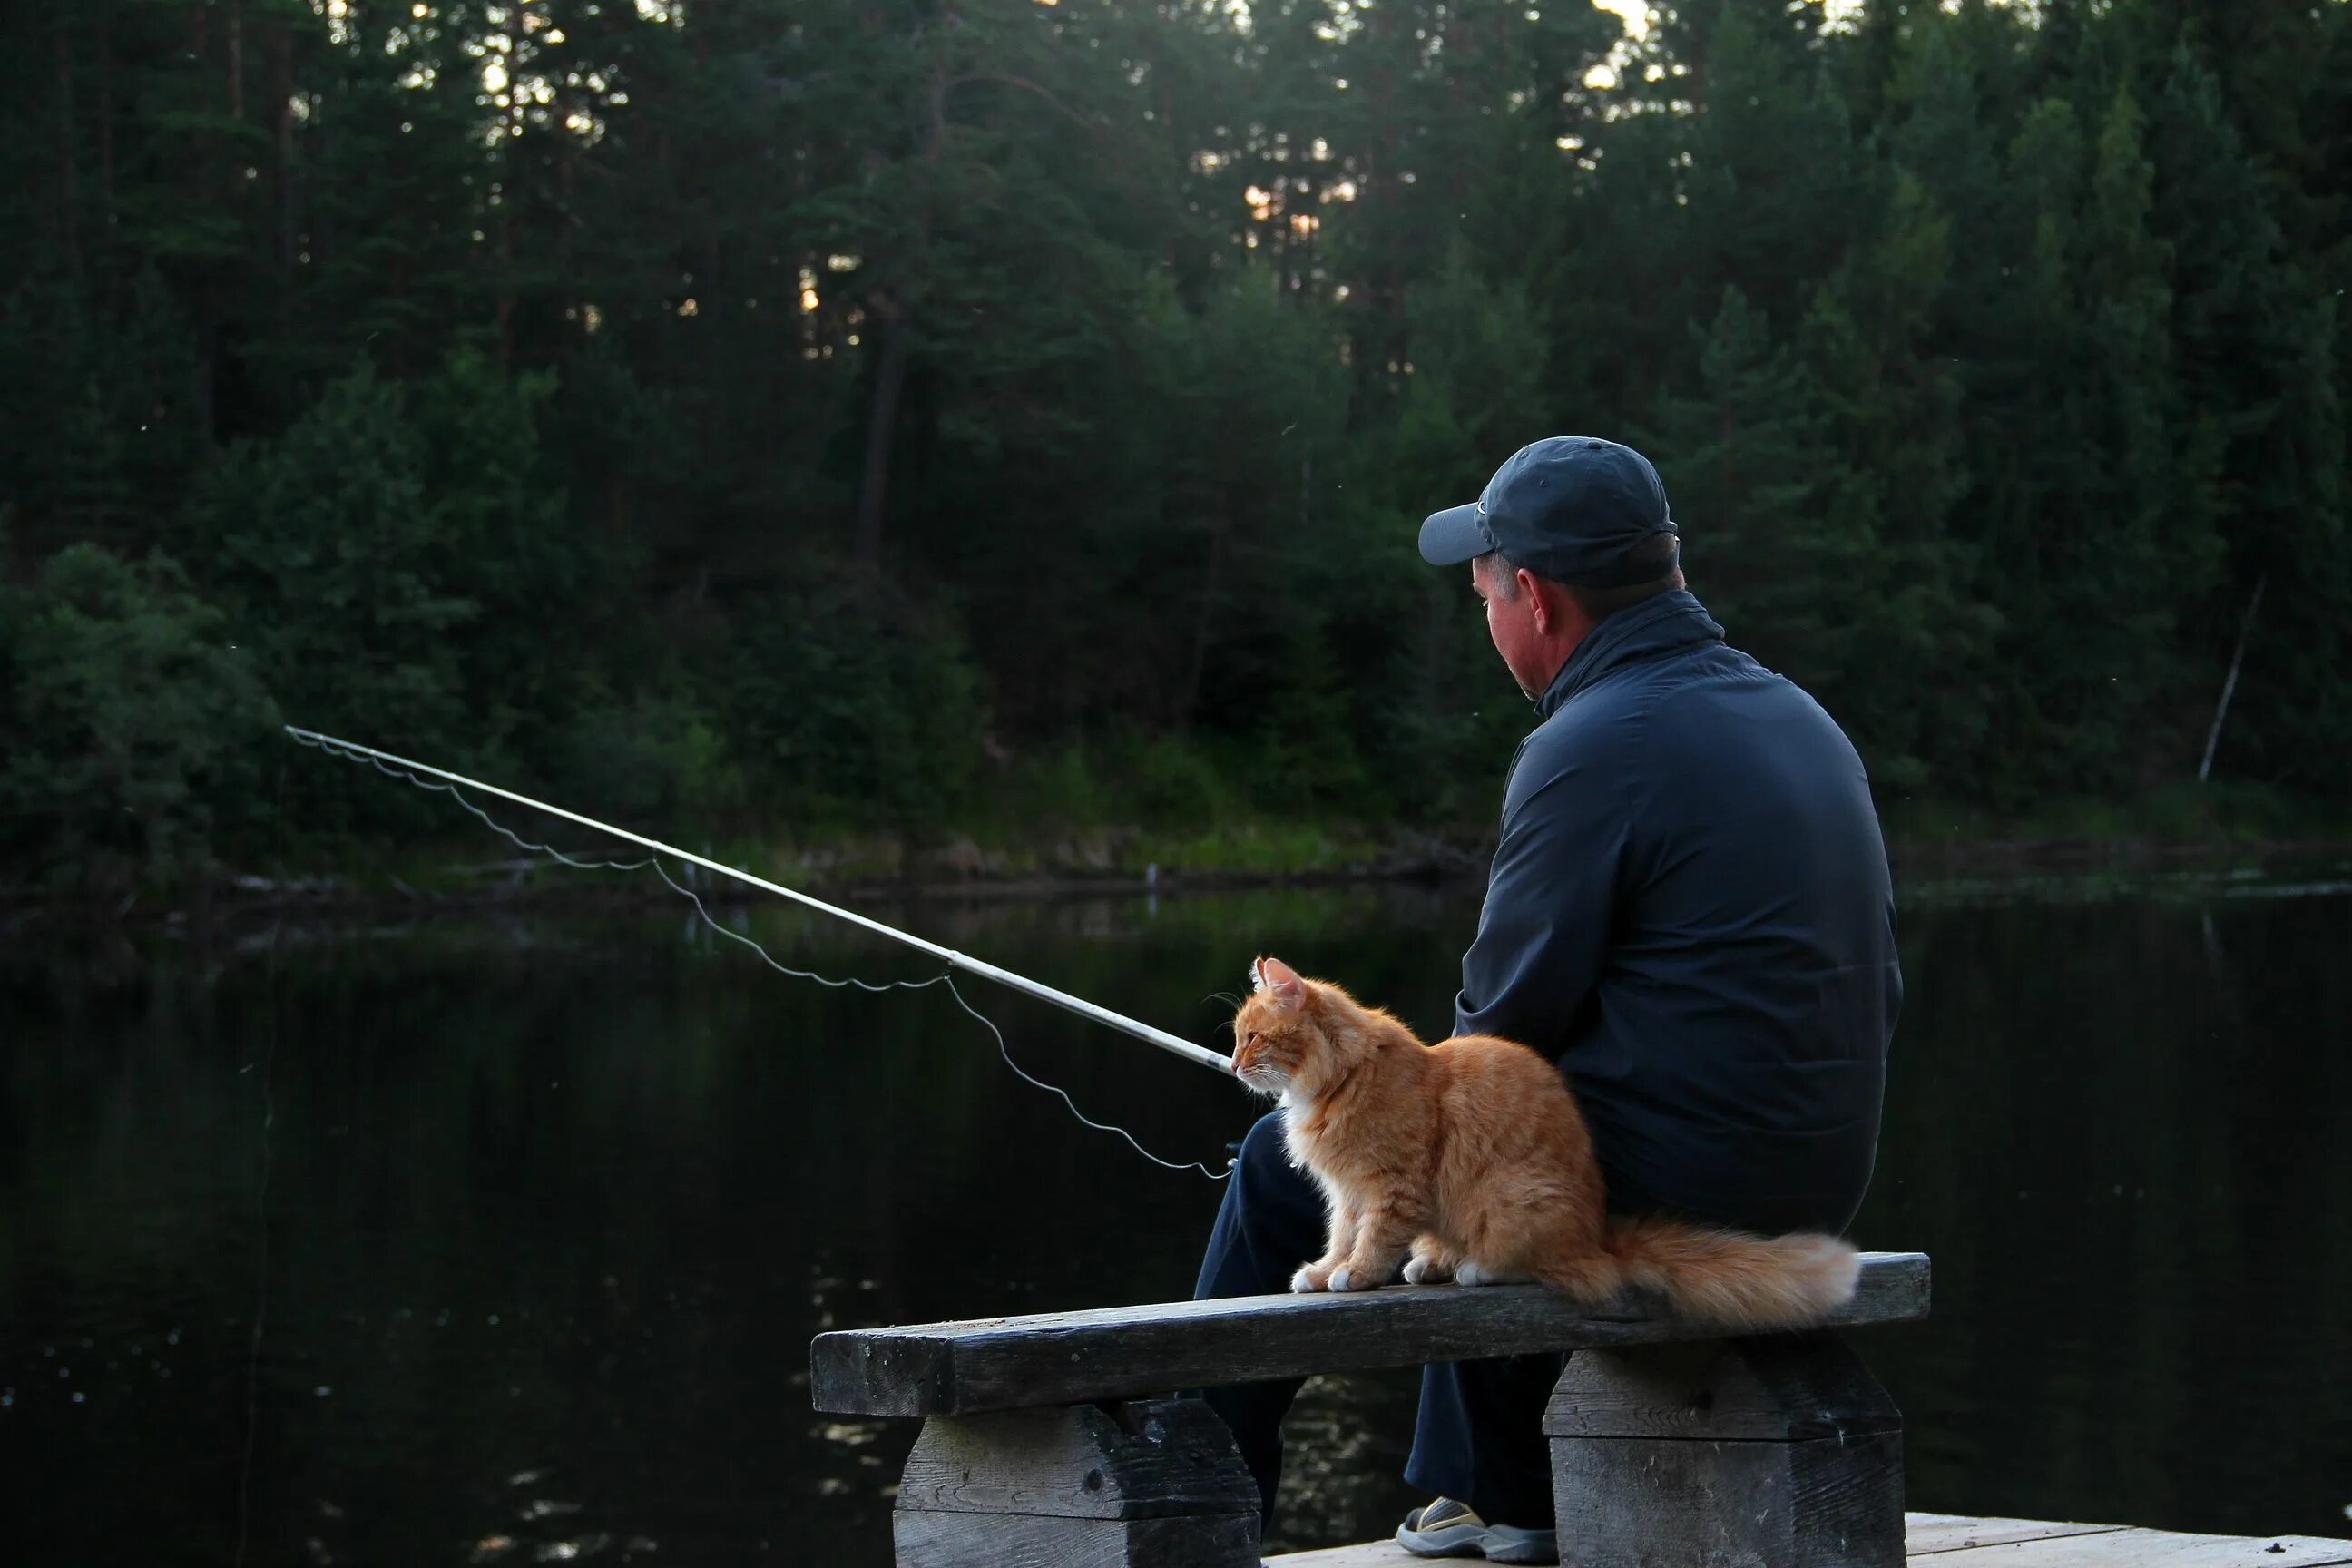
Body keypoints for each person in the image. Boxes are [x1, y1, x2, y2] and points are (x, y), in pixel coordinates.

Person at [1191, 436, 1902, 1564]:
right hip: (1818, 1170)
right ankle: (1484, 1480)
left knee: (1315, 1159)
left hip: (1684, 1179)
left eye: (1482, 593)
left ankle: (1208, 1501)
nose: (1484, 619)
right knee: (1449, 1120)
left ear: (1534, 595)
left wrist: (1355, 1090)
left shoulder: (1590, 744)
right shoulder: (1796, 714)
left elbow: (1504, 1020)